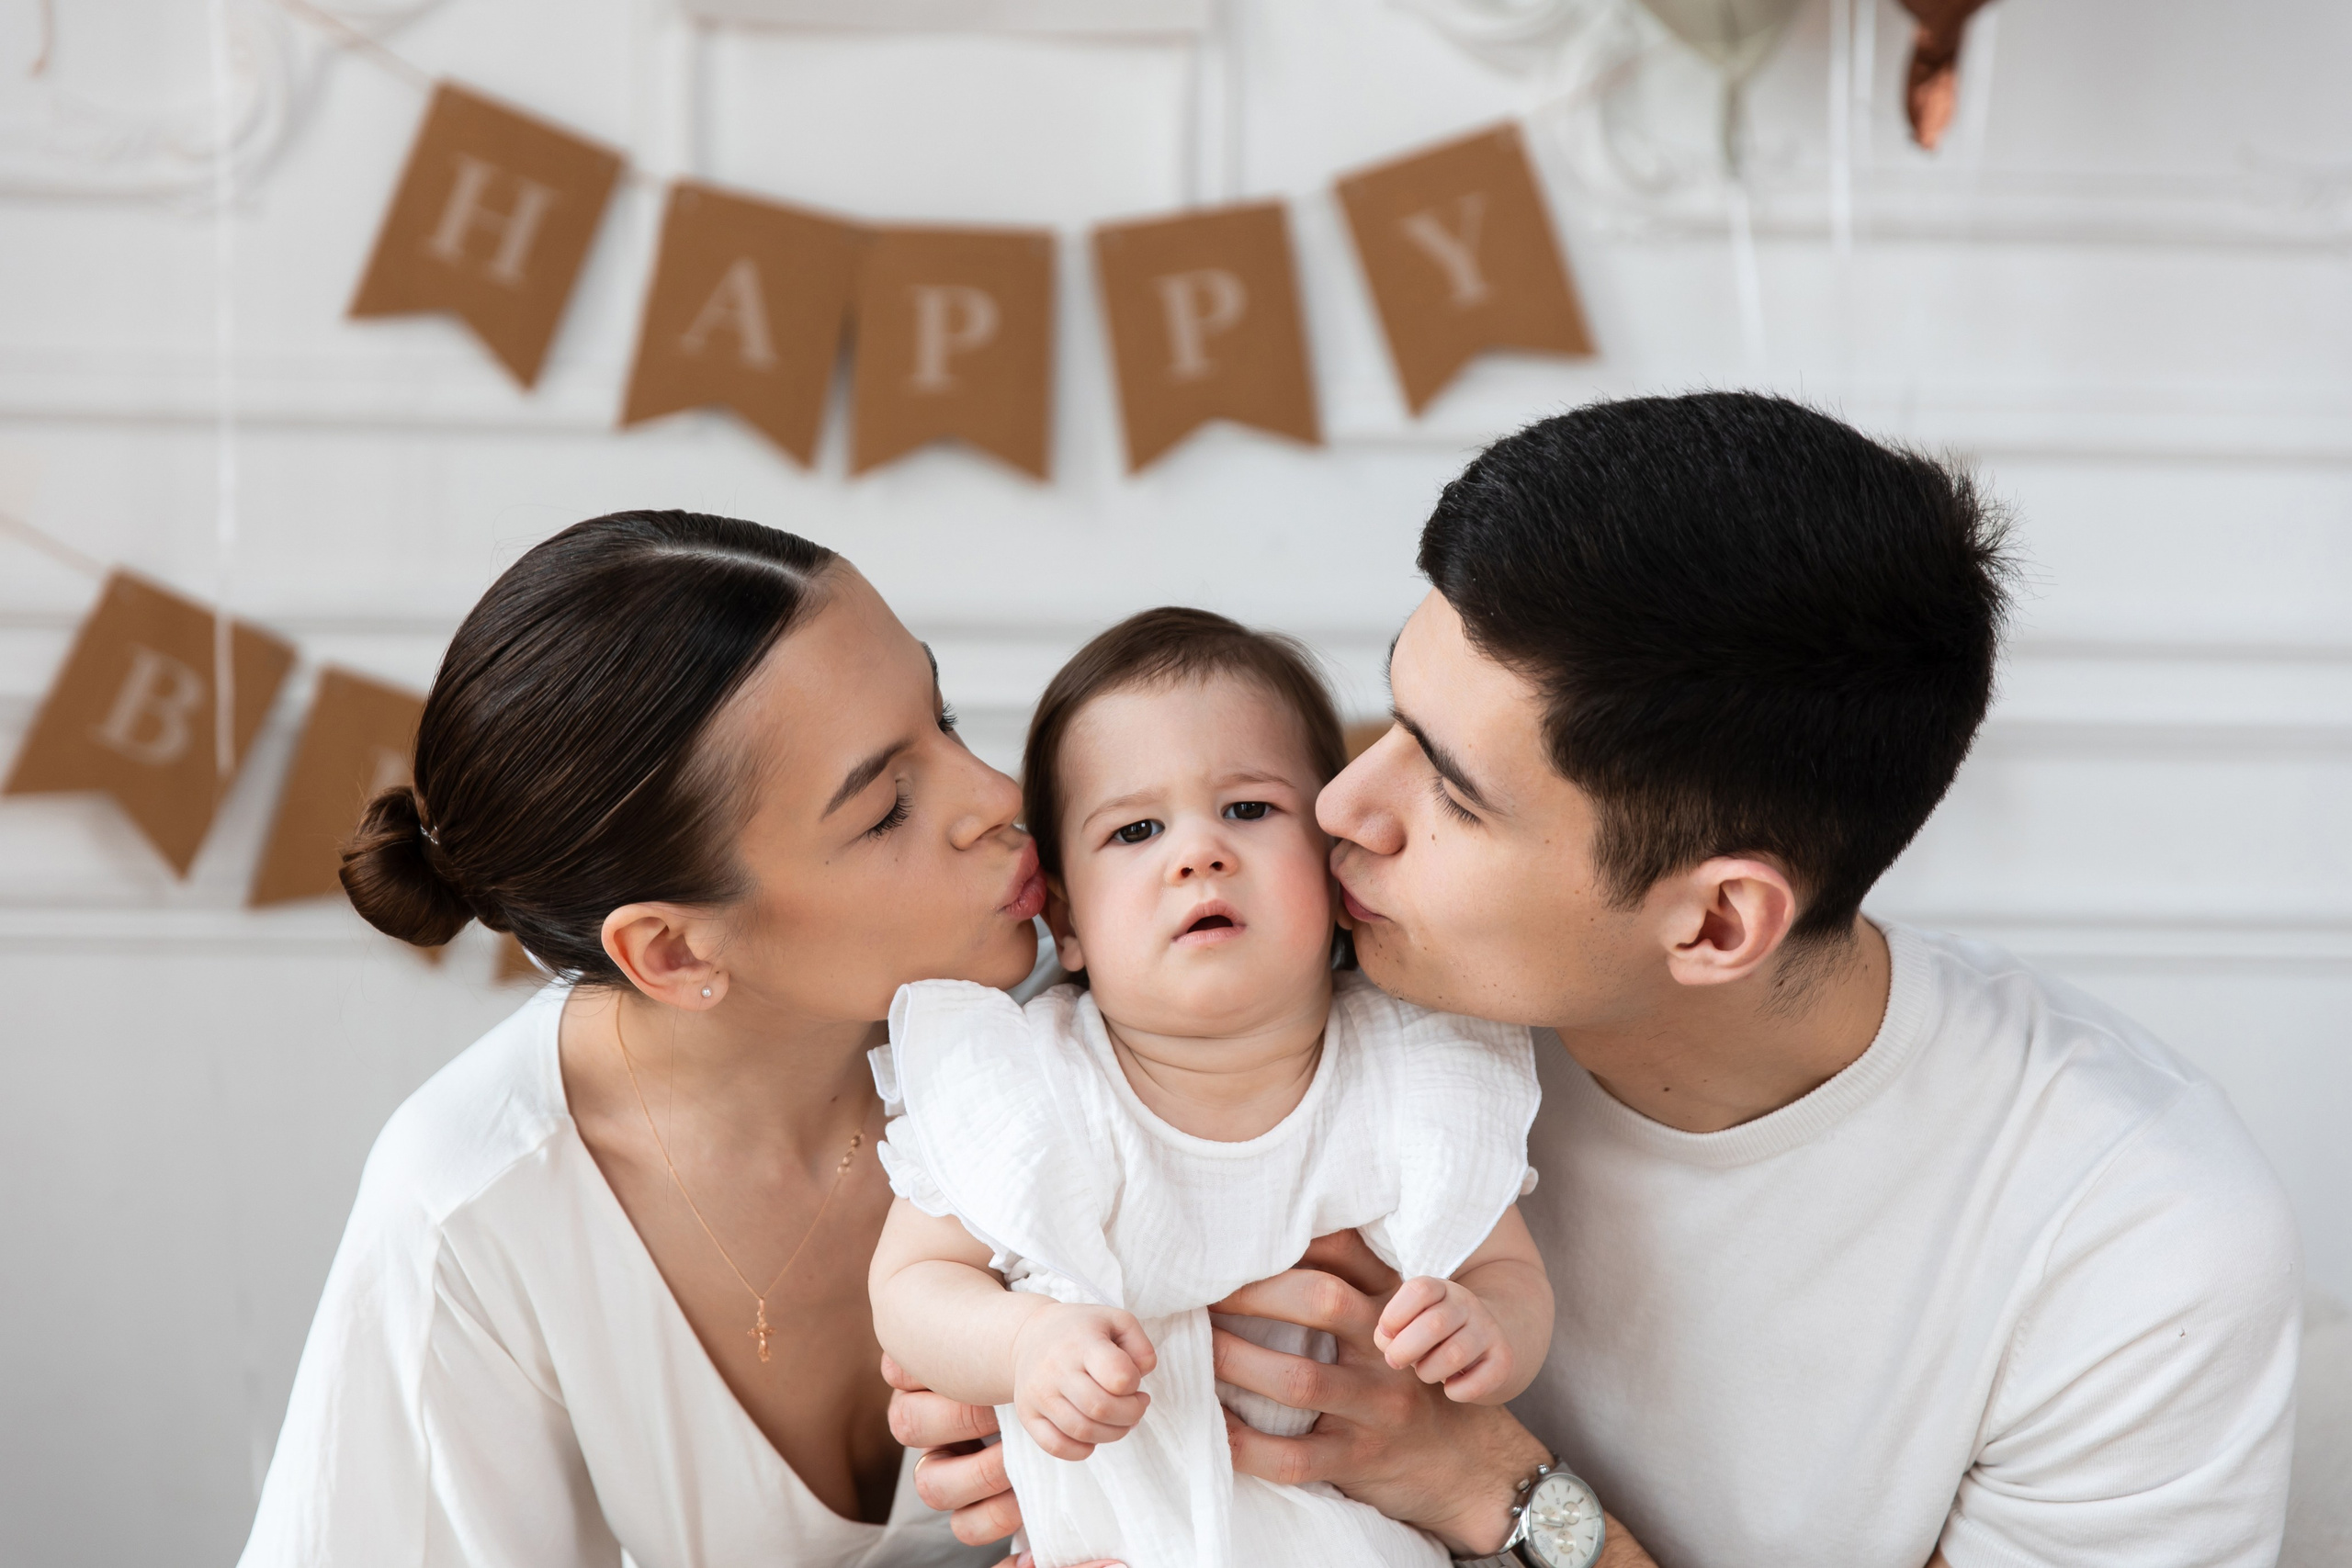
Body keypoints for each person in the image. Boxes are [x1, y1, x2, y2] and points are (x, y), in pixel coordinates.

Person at [891, 393, 2304, 1568]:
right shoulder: (1278, 1020)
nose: (1337, 807)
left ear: (1714, 923)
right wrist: (1025, 1397)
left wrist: (1495, 1488)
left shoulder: (2129, 1244)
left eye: (1446, 791)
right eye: (1390, 711)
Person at [240, 511, 1046, 1567]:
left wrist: (1341, 1455)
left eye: (943, 717)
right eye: (888, 806)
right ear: (670, 953)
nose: (1002, 798)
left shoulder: (1114, 1011)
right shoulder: (471, 1206)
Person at [866, 609, 1556, 1568]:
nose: (1198, 852)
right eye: (1136, 829)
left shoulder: (1409, 1073)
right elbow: (910, 1288)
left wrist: (1486, 1332)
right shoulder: (1033, 1084)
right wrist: (1022, 1344)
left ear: (1334, 867)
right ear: (1064, 920)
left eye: (1248, 810)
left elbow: (1505, 1273)